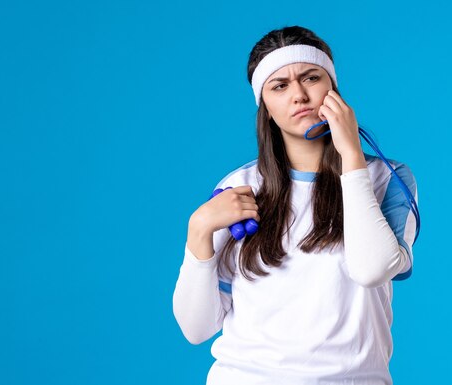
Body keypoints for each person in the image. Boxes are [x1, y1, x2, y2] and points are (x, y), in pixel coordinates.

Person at [172, 25, 419, 385]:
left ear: (332, 88)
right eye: (280, 86)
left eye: (311, 77)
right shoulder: (239, 188)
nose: (299, 95)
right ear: (265, 107)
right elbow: (197, 328)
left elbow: (371, 269)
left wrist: (350, 154)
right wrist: (198, 232)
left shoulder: (387, 178)